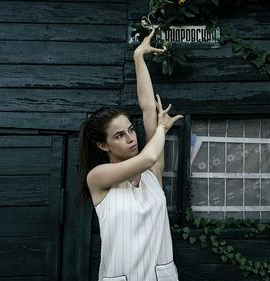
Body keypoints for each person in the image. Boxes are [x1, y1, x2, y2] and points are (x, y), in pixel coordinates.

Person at [78, 29, 183, 281]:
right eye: (119, 136)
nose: (131, 138)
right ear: (103, 146)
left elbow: (148, 108)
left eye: (131, 129)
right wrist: (161, 128)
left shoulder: (152, 173)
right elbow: (147, 157)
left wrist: (139, 57)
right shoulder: (98, 178)